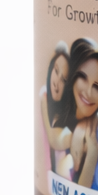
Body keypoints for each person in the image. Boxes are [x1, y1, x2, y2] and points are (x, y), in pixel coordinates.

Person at [59, 40, 98, 187]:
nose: (88, 92)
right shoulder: (56, 117)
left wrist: (92, 153)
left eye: (97, 87)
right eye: (83, 77)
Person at [38, 41, 71, 176]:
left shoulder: (65, 113)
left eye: (64, 80)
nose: (57, 82)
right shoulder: (44, 96)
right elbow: (53, 140)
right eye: (56, 71)